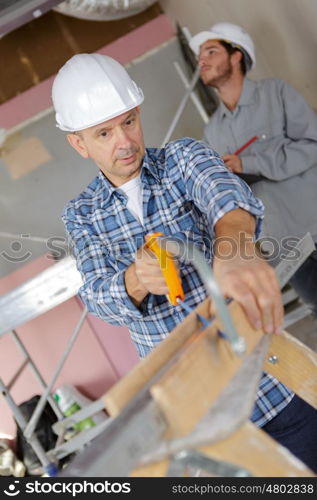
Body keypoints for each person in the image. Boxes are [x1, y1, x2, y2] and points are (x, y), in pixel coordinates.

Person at [52, 53, 316, 472]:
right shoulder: (81, 215)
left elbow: (227, 200)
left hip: (270, 383)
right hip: (203, 417)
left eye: (129, 121)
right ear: (78, 142)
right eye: (104, 133)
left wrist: (235, 249)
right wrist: (136, 278)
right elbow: (99, 298)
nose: (125, 141)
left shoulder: (182, 159)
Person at [189, 22, 317, 318]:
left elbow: (312, 144)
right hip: (284, 247)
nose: (202, 61)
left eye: (210, 51)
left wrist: (250, 163)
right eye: (200, 56)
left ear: (236, 55)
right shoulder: (212, 132)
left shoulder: (275, 92)